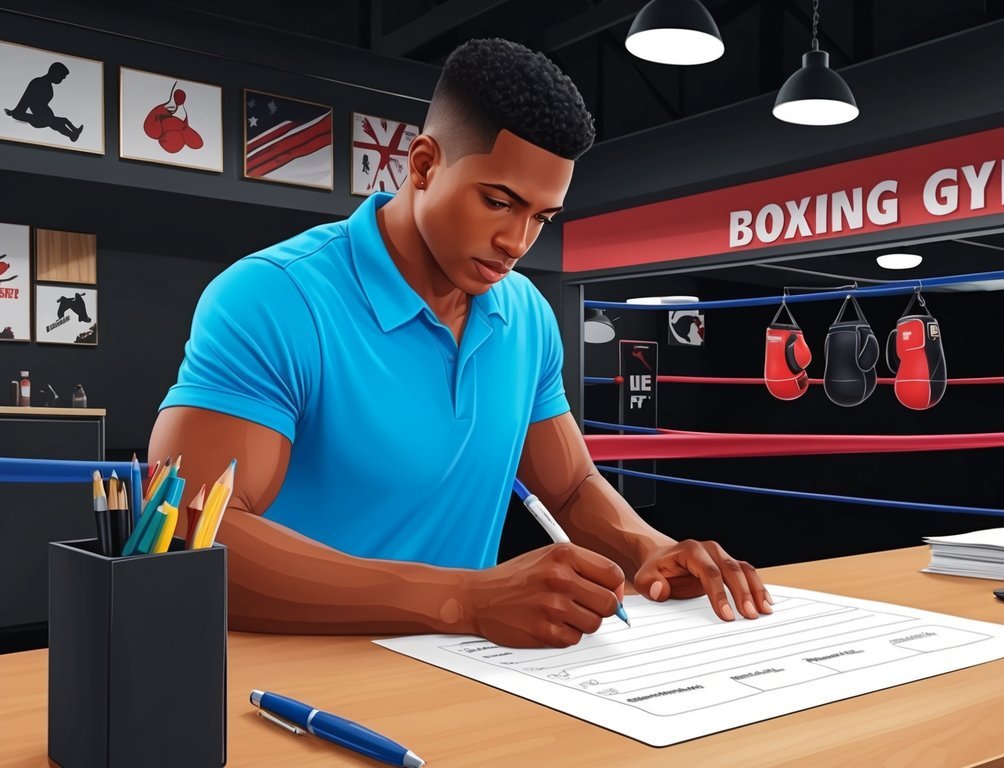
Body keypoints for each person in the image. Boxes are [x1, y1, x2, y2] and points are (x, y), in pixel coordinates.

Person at [149, 38, 771, 649]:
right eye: (498, 202)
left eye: (541, 217)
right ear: (423, 165)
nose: (517, 241)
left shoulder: (526, 315)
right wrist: (463, 600)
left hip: (461, 673)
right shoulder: (273, 298)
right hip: (289, 684)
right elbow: (191, 533)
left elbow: (571, 486)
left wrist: (649, 548)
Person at [4, 62, 83, 142]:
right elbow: (25, 100)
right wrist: (15, 112)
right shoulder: (37, 83)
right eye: (61, 77)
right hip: (40, 118)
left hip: (46, 116)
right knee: (62, 121)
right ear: (55, 73)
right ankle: (73, 134)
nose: (61, 80)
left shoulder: (47, 84)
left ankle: (72, 134)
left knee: (60, 123)